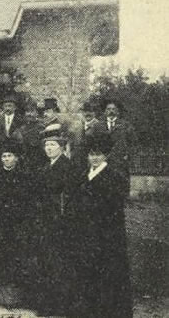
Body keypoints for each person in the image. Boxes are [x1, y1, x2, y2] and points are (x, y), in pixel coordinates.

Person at [67, 132, 133, 318]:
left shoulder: (114, 177)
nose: (94, 158)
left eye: (98, 154)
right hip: (86, 232)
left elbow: (114, 208)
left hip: (106, 234)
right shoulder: (84, 175)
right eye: (91, 154)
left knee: (107, 272)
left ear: (106, 155)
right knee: (88, 270)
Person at [30, 123, 84, 316]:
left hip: (60, 222)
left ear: (61, 147)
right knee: (46, 262)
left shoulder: (68, 167)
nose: (49, 149)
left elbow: (69, 197)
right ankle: (47, 303)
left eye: (53, 145)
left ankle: (61, 305)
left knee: (60, 263)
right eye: (46, 145)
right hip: (45, 221)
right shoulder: (44, 168)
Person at [0, 139, 35, 307]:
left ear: (16, 158)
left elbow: (28, 202)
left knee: (16, 258)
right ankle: (2, 297)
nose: (6, 159)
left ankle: (16, 297)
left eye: (9, 156)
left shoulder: (24, 176)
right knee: (1, 258)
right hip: (0, 224)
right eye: (4, 156)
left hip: (17, 225)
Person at [92, 99, 136, 195]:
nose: (111, 111)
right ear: (105, 111)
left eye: (113, 109)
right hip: (102, 162)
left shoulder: (125, 125)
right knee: (102, 190)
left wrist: (127, 156)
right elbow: (93, 144)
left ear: (118, 111)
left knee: (119, 190)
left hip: (119, 163)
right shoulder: (97, 126)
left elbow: (132, 143)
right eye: (108, 109)